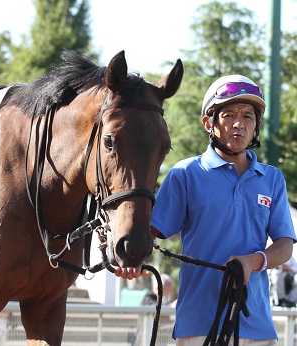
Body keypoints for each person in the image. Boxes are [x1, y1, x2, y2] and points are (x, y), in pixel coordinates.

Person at [115, 75, 296, 345]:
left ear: (257, 125)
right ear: (208, 123)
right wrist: (129, 260)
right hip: (199, 325)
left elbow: (284, 245)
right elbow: (147, 233)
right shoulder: (185, 174)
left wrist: (252, 262)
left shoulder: (272, 179)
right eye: (230, 114)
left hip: (258, 325)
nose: (239, 123)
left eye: (248, 116)